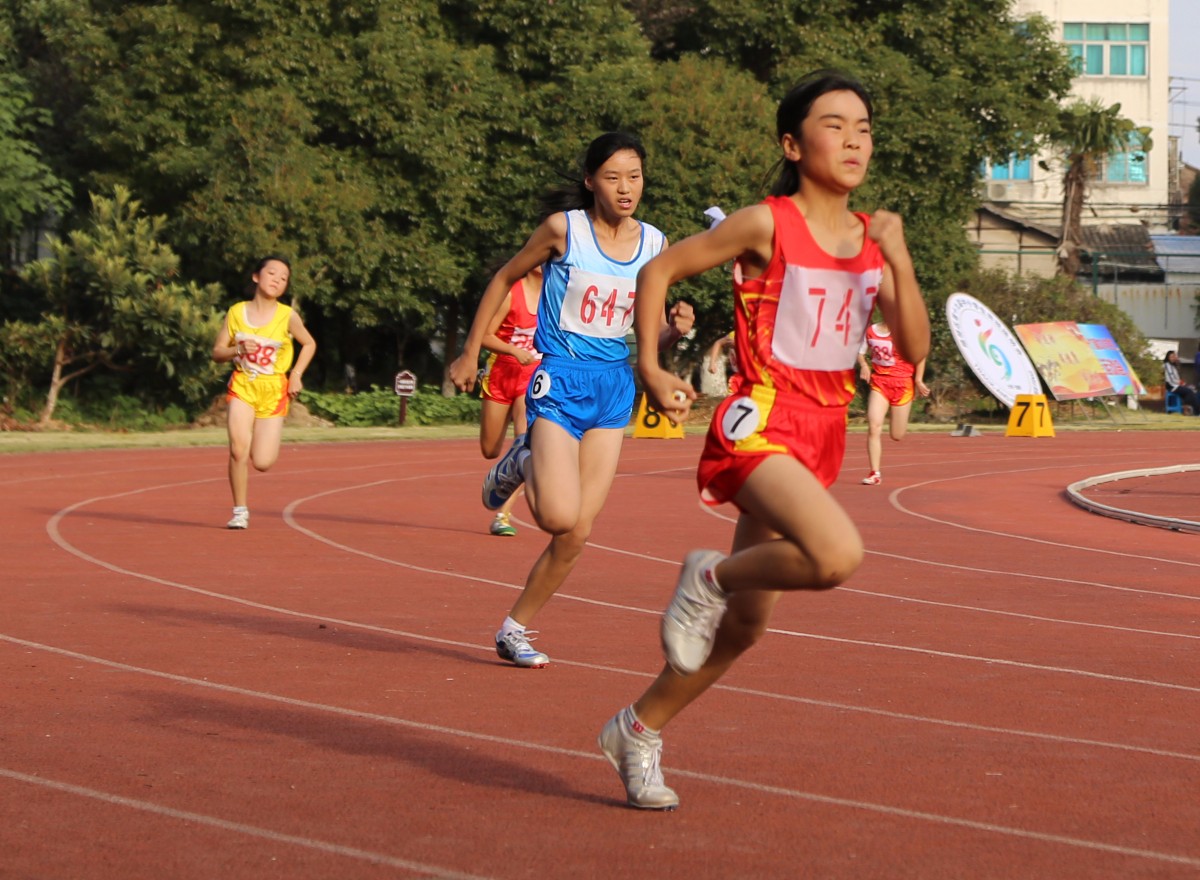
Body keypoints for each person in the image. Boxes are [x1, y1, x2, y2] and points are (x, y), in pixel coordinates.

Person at [597, 70, 930, 810]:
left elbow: (911, 346)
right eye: (835, 125)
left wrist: (900, 257)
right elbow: (661, 268)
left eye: (865, 127)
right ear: (792, 142)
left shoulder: (873, 242)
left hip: (822, 434)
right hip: (759, 422)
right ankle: (707, 575)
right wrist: (649, 366)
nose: (854, 140)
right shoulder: (766, 223)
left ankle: (637, 729)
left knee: (744, 632)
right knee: (837, 556)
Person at [448, 131, 694, 669]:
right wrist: (470, 352)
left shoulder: (655, 242)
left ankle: (514, 629)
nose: (626, 188)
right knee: (559, 516)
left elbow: (643, 330)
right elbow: (504, 277)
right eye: (613, 177)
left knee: (578, 533)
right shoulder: (566, 230)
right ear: (590, 182)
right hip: (559, 379)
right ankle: (526, 455)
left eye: (634, 176)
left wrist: (673, 334)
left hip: (614, 385)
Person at [211, 256, 316, 530]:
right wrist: (236, 350)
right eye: (272, 273)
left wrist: (295, 375)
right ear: (257, 277)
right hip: (244, 384)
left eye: (283, 278)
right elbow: (217, 352)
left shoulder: (287, 316)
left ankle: (256, 459)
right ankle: (240, 510)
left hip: (274, 389)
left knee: (263, 461)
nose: (277, 280)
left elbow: (309, 344)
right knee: (238, 450)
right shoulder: (236, 312)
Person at [477, 265, 544, 536]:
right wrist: (513, 351)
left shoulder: (556, 294)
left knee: (524, 444)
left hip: (531, 377)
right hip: (501, 371)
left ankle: (503, 515)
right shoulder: (511, 293)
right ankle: (506, 467)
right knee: (490, 450)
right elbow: (484, 335)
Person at [856, 317, 929, 485]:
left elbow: (921, 356)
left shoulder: (905, 332)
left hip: (902, 385)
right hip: (880, 383)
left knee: (897, 435)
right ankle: (875, 473)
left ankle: (898, 418)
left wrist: (918, 380)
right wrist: (865, 365)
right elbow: (860, 353)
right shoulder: (871, 331)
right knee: (874, 426)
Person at [1163, 351, 1200, 415]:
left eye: (1174, 356)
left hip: (1177, 384)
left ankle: (1190, 409)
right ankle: (1195, 410)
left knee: (1193, 390)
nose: (1173, 358)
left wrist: (1183, 383)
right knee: (1189, 391)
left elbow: (1177, 378)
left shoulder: (1174, 365)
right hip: (1172, 386)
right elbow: (1172, 379)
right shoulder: (1167, 365)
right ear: (1168, 358)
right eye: (1171, 357)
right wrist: (1180, 383)